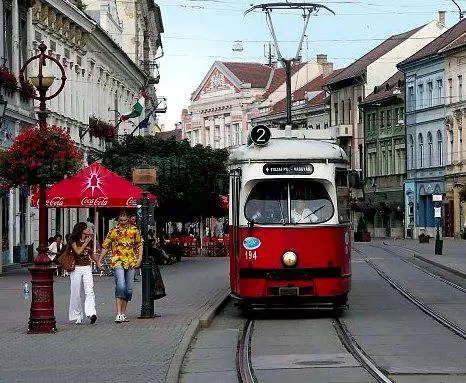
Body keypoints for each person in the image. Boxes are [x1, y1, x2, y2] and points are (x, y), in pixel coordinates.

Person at [97, 210, 143, 323]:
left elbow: (139, 244)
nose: (123, 222)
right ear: (118, 220)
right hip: (117, 260)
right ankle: (118, 313)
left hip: (131, 261)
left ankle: (123, 313)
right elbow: (105, 246)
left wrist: (140, 258)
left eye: (125, 220)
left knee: (129, 289)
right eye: (121, 220)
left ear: (128, 219)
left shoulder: (134, 230)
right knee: (121, 285)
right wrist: (99, 260)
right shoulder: (113, 231)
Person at [68, 222, 98, 325]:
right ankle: (77, 315)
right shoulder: (73, 240)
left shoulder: (90, 241)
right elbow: (78, 252)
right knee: (75, 292)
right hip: (76, 268)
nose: (89, 230)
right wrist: (86, 242)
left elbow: (91, 254)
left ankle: (91, 313)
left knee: (89, 290)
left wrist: (98, 262)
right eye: (87, 228)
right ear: (82, 230)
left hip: (87, 267)